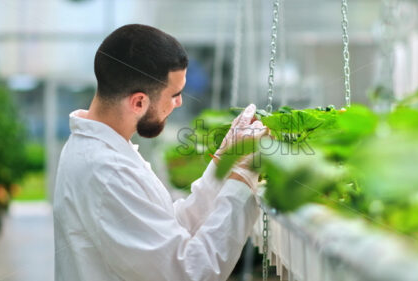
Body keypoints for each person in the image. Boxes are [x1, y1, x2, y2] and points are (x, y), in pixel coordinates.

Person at [53, 24, 267, 281]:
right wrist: (242, 182)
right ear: (139, 102)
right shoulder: (106, 171)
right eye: (175, 94)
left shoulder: (104, 149)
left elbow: (167, 229)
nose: (180, 102)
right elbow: (189, 274)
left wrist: (224, 164)